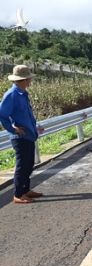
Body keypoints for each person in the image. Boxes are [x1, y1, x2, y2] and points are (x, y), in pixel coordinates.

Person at [0, 65, 45, 204]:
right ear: (24, 80)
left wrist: (34, 127)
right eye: (29, 79)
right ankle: (18, 194)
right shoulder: (12, 95)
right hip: (20, 137)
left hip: (29, 135)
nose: (30, 81)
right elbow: (2, 114)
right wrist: (13, 129)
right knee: (22, 165)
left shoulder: (23, 94)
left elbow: (26, 116)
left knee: (29, 164)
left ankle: (26, 190)